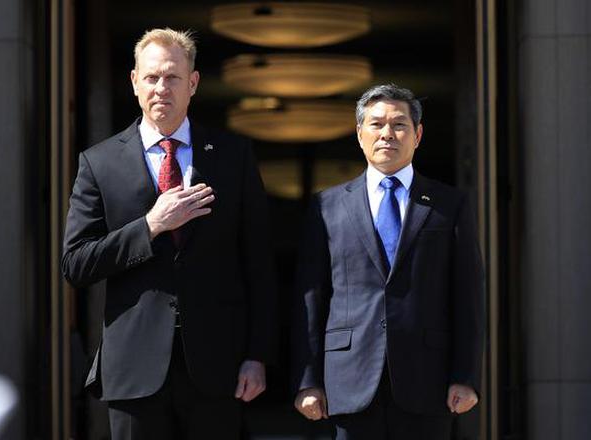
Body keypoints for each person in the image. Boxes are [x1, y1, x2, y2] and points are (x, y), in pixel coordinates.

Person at [62, 28, 278, 440]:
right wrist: (150, 226)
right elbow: (75, 263)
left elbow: (259, 266)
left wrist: (257, 356)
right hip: (133, 370)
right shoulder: (99, 163)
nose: (162, 88)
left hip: (218, 367)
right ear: (134, 82)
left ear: (193, 83)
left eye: (173, 77)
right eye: (152, 77)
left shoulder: (233, 156)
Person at [291, 84, 484, 439]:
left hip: (428, 380)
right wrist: (308, 381)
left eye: (399, 125)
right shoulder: (327, 207)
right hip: (348, 382)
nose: (387, 134)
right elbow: (311, 297)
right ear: (360, 134)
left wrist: (466, 377)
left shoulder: (449, 205)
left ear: (418, 135)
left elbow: (467, 296)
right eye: (376, 124)